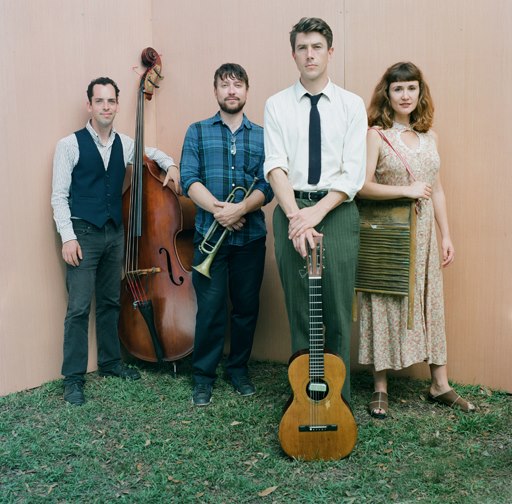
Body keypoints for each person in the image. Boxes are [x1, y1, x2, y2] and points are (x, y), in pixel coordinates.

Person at [51, 77, 180, 406]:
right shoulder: (69, 144)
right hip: (82, 233)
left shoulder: (125, 143)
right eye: (100, 101)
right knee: (79, 307)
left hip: (114, 233)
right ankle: (74, 379)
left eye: (111, 101)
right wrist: (67, 237)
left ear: (118, 105)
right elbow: (59, 197)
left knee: (110, 301)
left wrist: (172, 166)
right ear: (89, 105)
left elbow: (152, 153)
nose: (106, 107)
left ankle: (110, 363)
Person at [358, 62, 476, 418]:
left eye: (412, 88)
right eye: (398, 89)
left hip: (424, 237)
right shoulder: (376, 135)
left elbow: (437, 190)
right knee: (383, 301)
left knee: (429, 303)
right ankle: (380, 387)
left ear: (419, 93)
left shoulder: (430, 137)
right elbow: (361, 187)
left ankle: (439, 383)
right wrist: (406, 190)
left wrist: (446, 235)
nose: (405, 95)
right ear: (387, 94)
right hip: (389, 234)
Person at [263, 17, 367, 402]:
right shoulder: (276, 104)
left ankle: (337, 397)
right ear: (293, 54)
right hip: (292, 208)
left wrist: (315, 214)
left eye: (317, 47)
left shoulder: (351, 105)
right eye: (303, 48)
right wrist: (296, 217)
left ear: (330, 52)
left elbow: (352, 173)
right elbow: (275, 165)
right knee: (301, 307)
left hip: (336, 211)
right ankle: (304, 392)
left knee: (337, 308)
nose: (310, 54)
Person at [180, 63, 273, 407]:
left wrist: (241, 208)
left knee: (246, 309)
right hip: (209, 234)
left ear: (247, 91)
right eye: (225, 85)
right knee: (210, 310)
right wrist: (222, 211)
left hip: (250, 239)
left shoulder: (264, 135)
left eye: (237, 85)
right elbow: (189, 179)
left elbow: (268, 184)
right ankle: (203, 376)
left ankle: (238, 370)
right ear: (215, 91)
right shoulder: (197, 131)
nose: (231, 91)